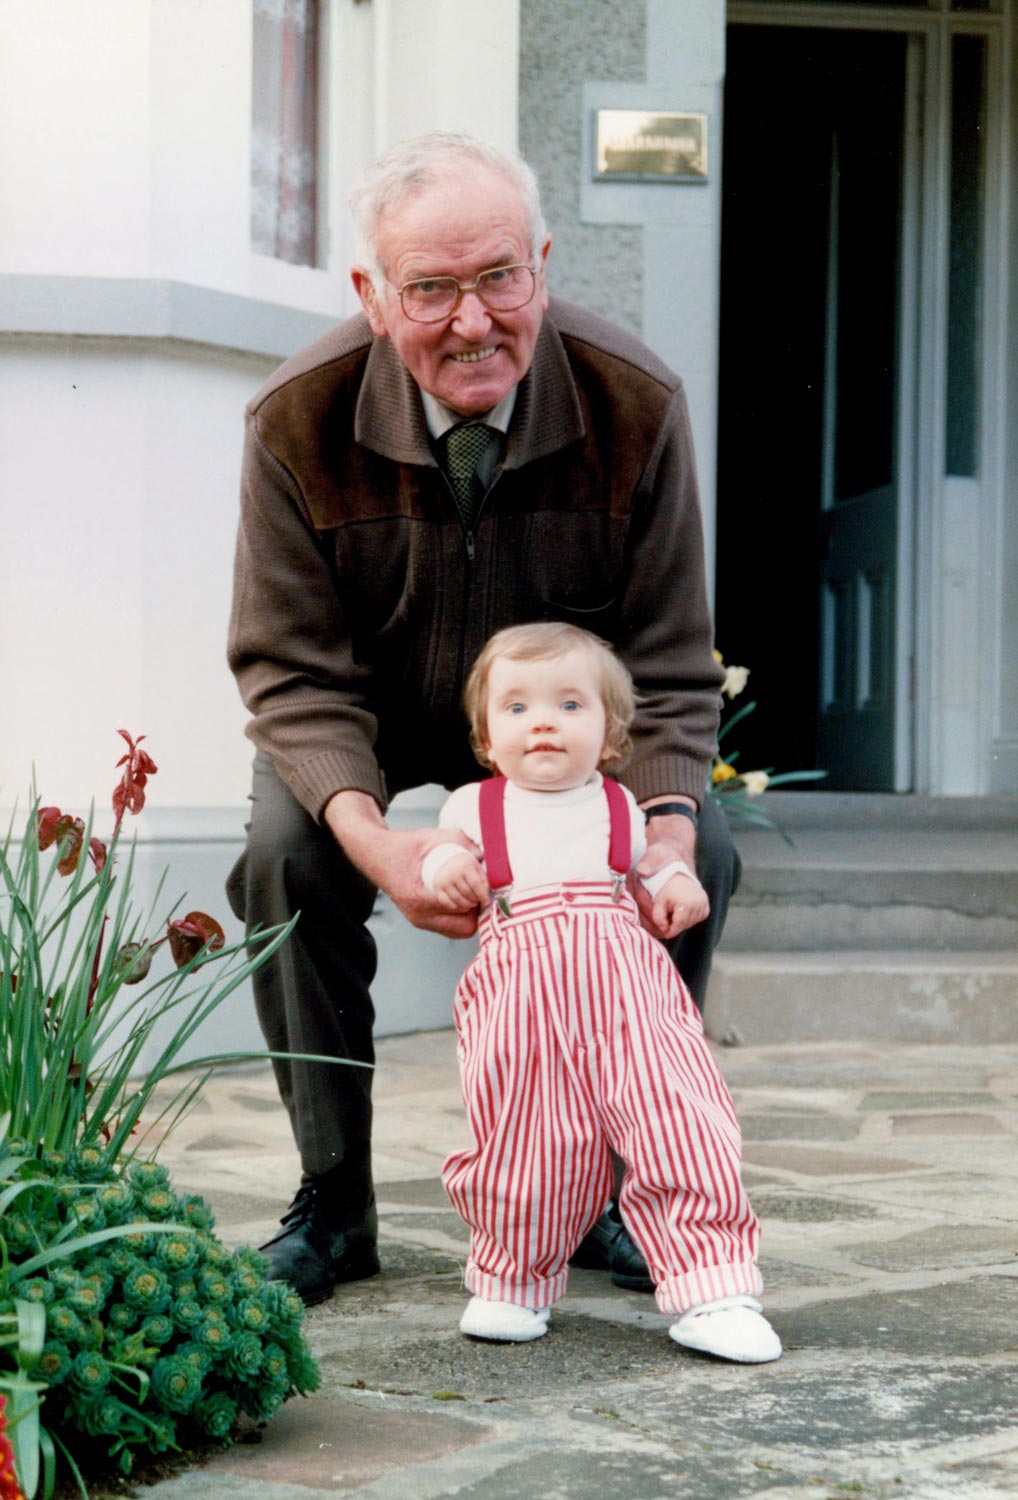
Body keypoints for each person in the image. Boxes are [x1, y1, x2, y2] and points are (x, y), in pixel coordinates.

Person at [226, 131, 740, 1308]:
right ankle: (335, 1200)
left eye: (499, 277)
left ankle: (613, 1187)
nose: (474, 322)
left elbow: (665, 667)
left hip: (558, 727)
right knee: (285, 857)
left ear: (543, 267)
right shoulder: (292, 419)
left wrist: (658, 835)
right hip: (372, 716)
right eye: (431, 289)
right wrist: (381, 843)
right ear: (370, 295)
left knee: (697, 848)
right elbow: (290, 674)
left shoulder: (635, 402)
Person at [420, 622, 779, 1362]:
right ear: (487, 739)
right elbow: (441, 858)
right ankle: (512, 1278)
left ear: (612, 736)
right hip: (521, 1001)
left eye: (570, 704)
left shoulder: (622, 807)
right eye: (516, 707)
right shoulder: (474, 808)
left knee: (677, 1117)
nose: (543, 720)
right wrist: (442, 873)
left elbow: (652, 869)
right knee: (528, 1140)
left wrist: (676, 881)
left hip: (627, 995)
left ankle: (711, 1285)